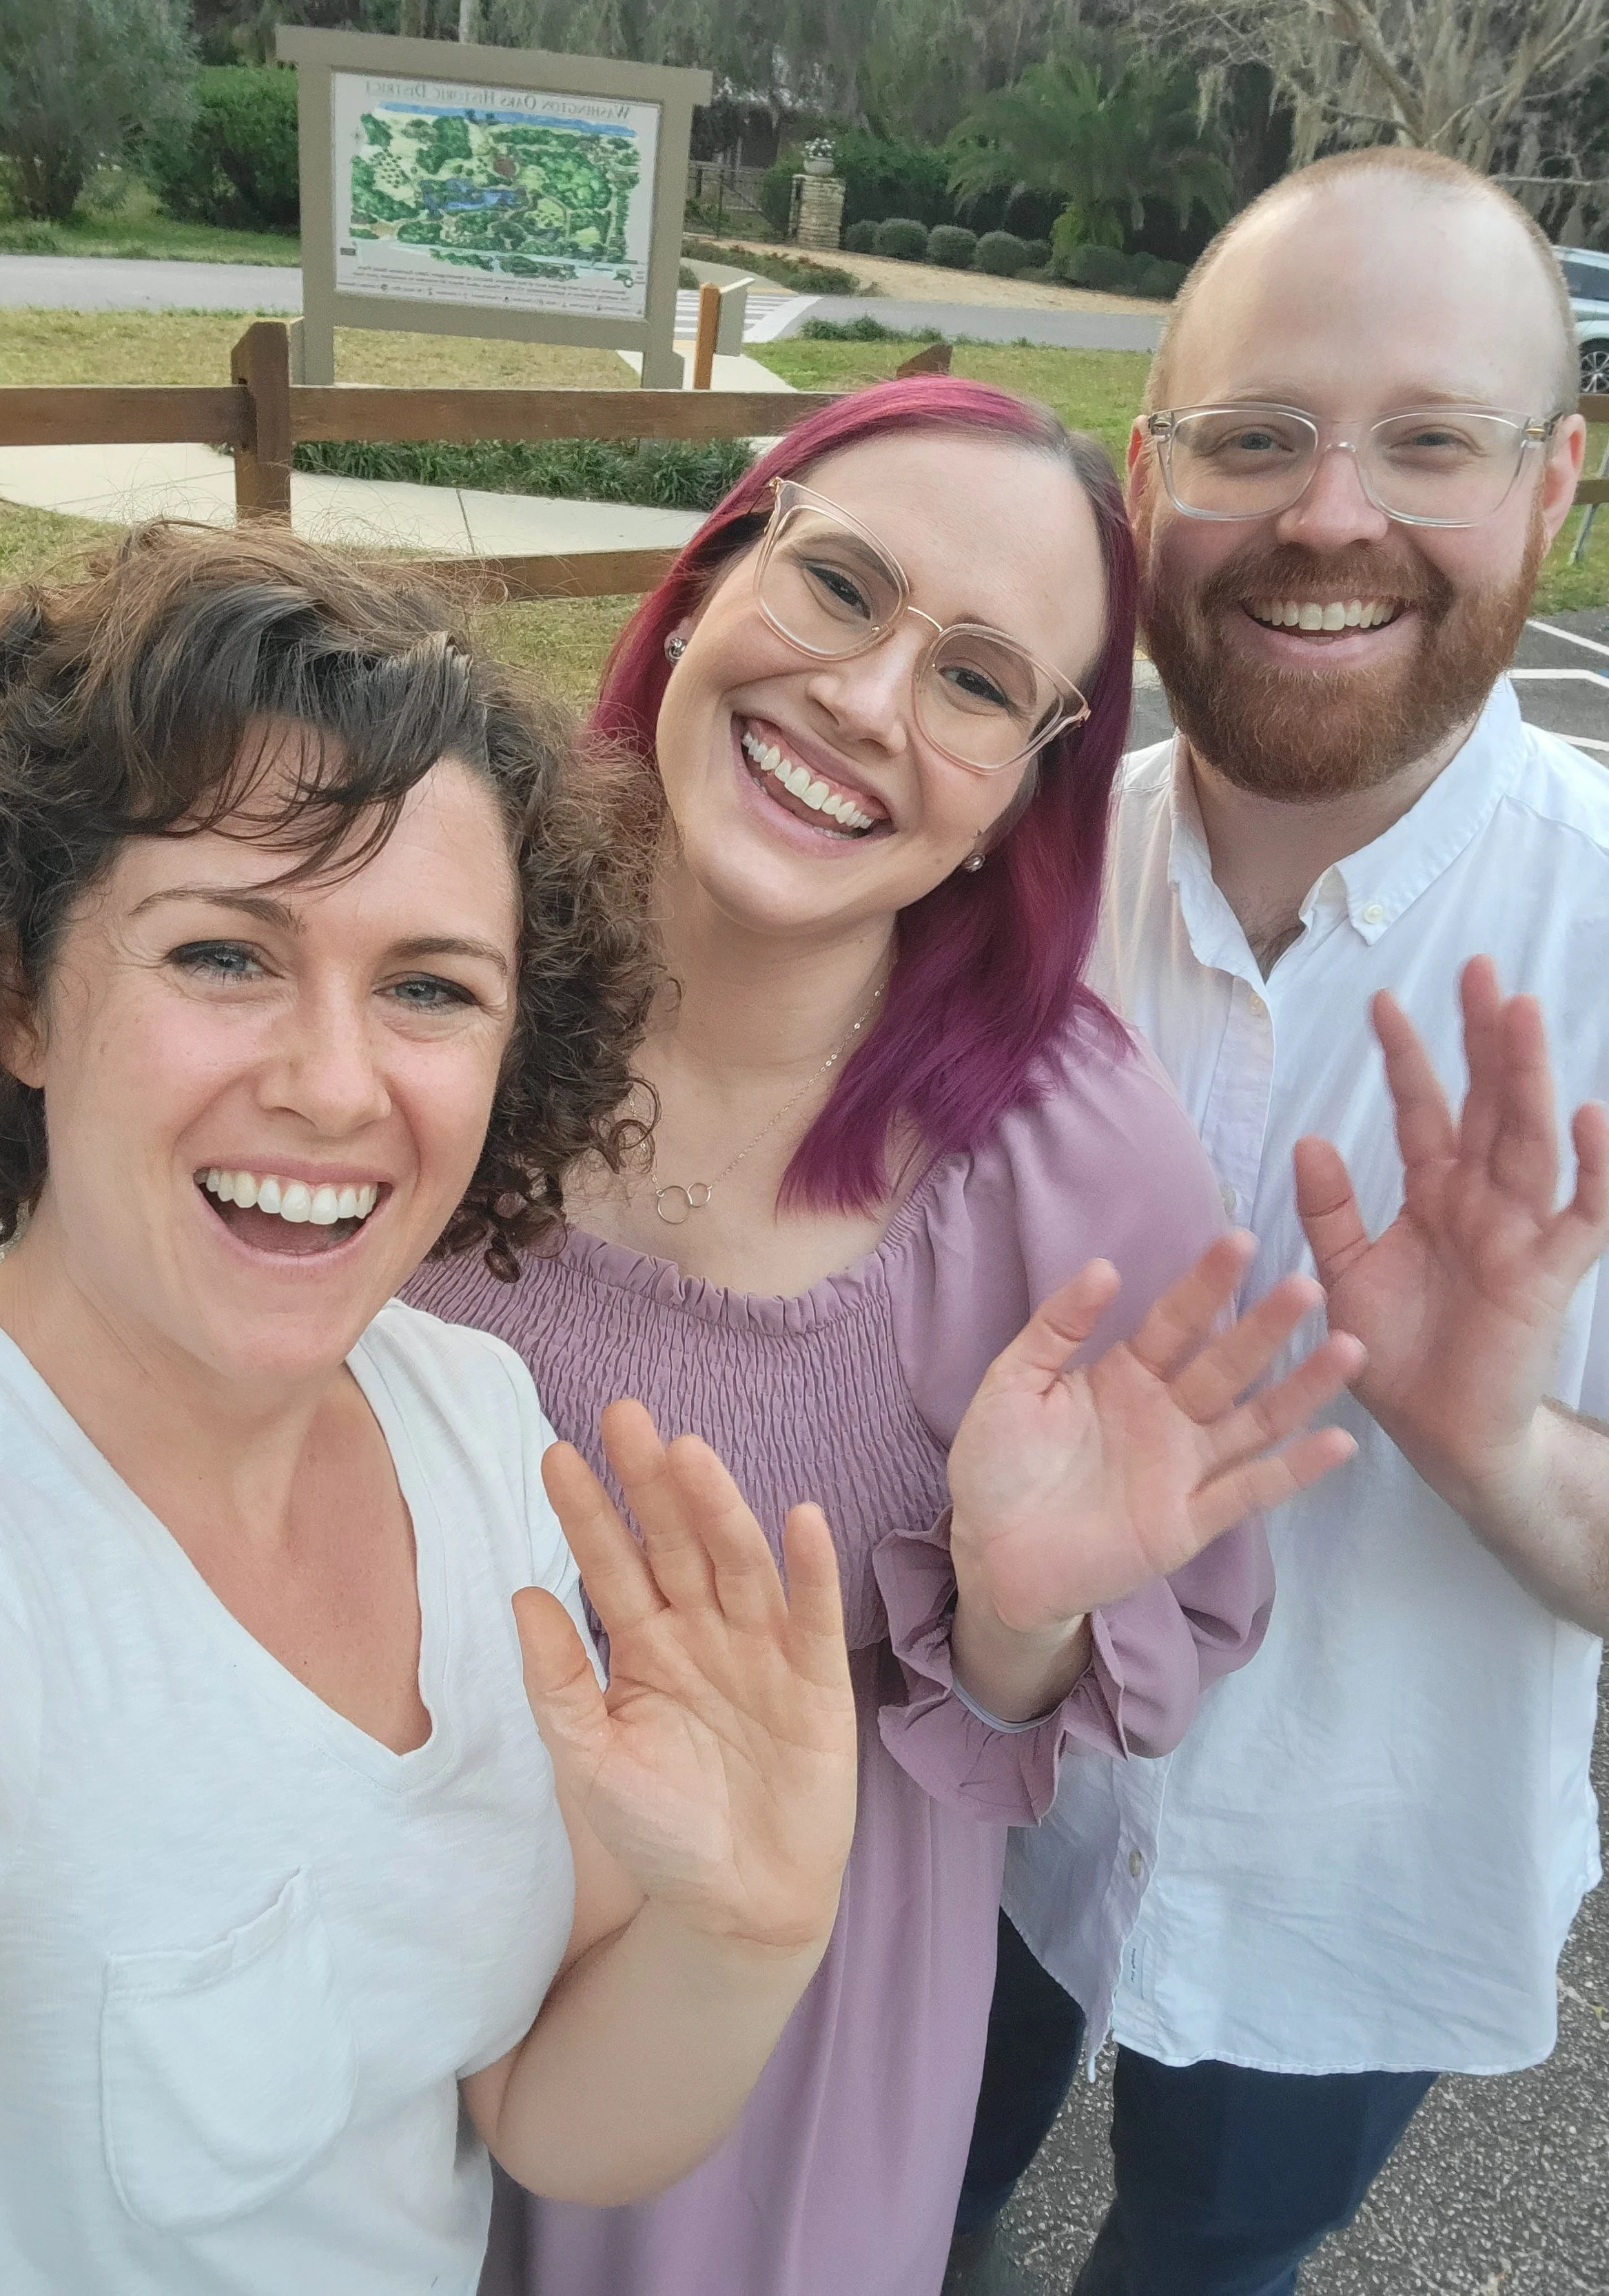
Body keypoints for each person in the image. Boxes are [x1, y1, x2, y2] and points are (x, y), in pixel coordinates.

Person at [406, 378, 1364, 2296]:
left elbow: (1062, 1686)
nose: (862, 702)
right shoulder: (432, 936)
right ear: (704, 585)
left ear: (1032, 780)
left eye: (978, 682)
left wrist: (1015, 1608)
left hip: (757, 2034)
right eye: (839, 585)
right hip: (337, 1913)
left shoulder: (1070, 1158)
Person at [0, 524, 871, 2295]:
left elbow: (539, 2116)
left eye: (429, 987)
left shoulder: (475, 1419)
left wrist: (749, 1922)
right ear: (22, 994)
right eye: (222, 955)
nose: (336, 1084)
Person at [954, 148, 1609, 2296]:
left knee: (1201, 2267)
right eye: (1255, 436)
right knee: (898, 2208)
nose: (1330, 513)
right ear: (1150, 481)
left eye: (1431, 439)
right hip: (979, 1793)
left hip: (1353, 1870)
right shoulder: (995, 873)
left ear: (1554, 485)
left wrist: (1491, 1439)